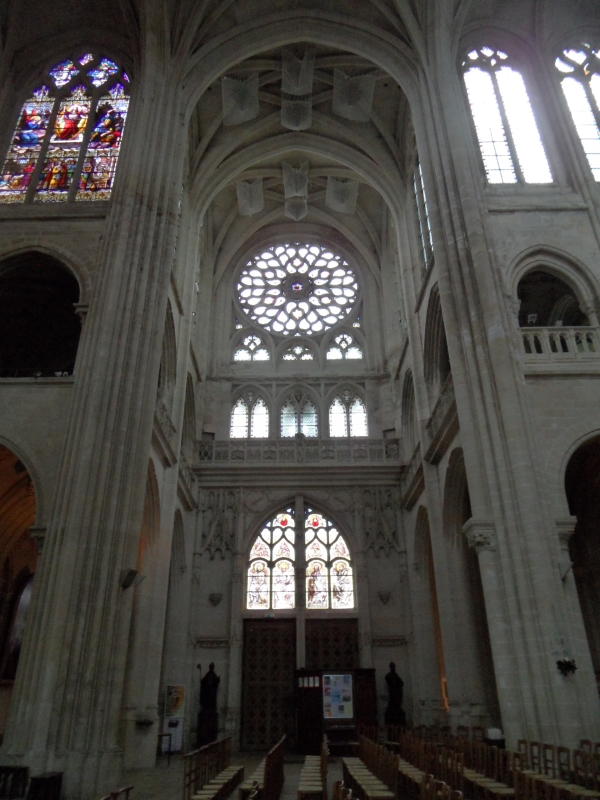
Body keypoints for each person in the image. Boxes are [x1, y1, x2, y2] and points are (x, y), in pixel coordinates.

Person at [384, 661, 406, 727]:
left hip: (397, 693)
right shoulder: (389, 675)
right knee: (392, 704)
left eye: (394, 667)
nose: (393, 668)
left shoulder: (396, 675)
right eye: (392, 667)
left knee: (397, 705)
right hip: (393, 693)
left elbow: (401, 683)